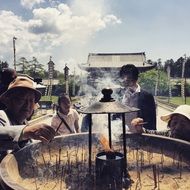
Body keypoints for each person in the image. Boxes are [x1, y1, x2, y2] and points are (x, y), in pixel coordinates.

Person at [0, 76, 55, 159]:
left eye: (31, 100)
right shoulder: (2, 115)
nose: (27, 105)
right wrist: (25, 132)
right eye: (21, 99)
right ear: (8, 100)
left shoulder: (24, 122)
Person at [119, 64, 156, 130]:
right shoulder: (119, 95)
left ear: (136, 79)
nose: (125, 82)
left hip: (140, 134)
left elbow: (151, 122)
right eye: (123, 79)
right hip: (121, 134)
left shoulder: (147, 96)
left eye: (129, 79)